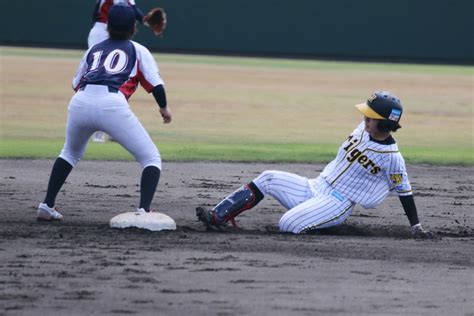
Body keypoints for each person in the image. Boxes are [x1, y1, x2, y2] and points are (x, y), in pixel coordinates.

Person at [196, 91, 437, 239]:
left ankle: (323, 224)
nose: (364, 118)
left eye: (370, 117)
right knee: (268, 177)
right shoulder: (362, 130)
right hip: (315, 187)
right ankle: (217, 217)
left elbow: (404, 191)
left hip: (337, 203)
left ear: (384, 124)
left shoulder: (393, 158)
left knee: (287, 224)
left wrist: (415, 226)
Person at [37, 4, 172, 221]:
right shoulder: (138, 50)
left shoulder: (94, 49)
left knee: (69, 153)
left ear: (107, 26)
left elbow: (75, 83)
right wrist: (164, 108)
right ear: (133, 28)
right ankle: (144, 211)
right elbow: (156, 86)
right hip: (112, 105)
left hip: (80, 102)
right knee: (151, 158)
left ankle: (46, 206)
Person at [88, 0, 167, 142]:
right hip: (102, 31)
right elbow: (122, 10)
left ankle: (114, 127)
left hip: (110, 31)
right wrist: (143, 19)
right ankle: (98, 131)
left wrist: (145, 20)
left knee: (119, 81)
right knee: (102, 80)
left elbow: (131, 11)